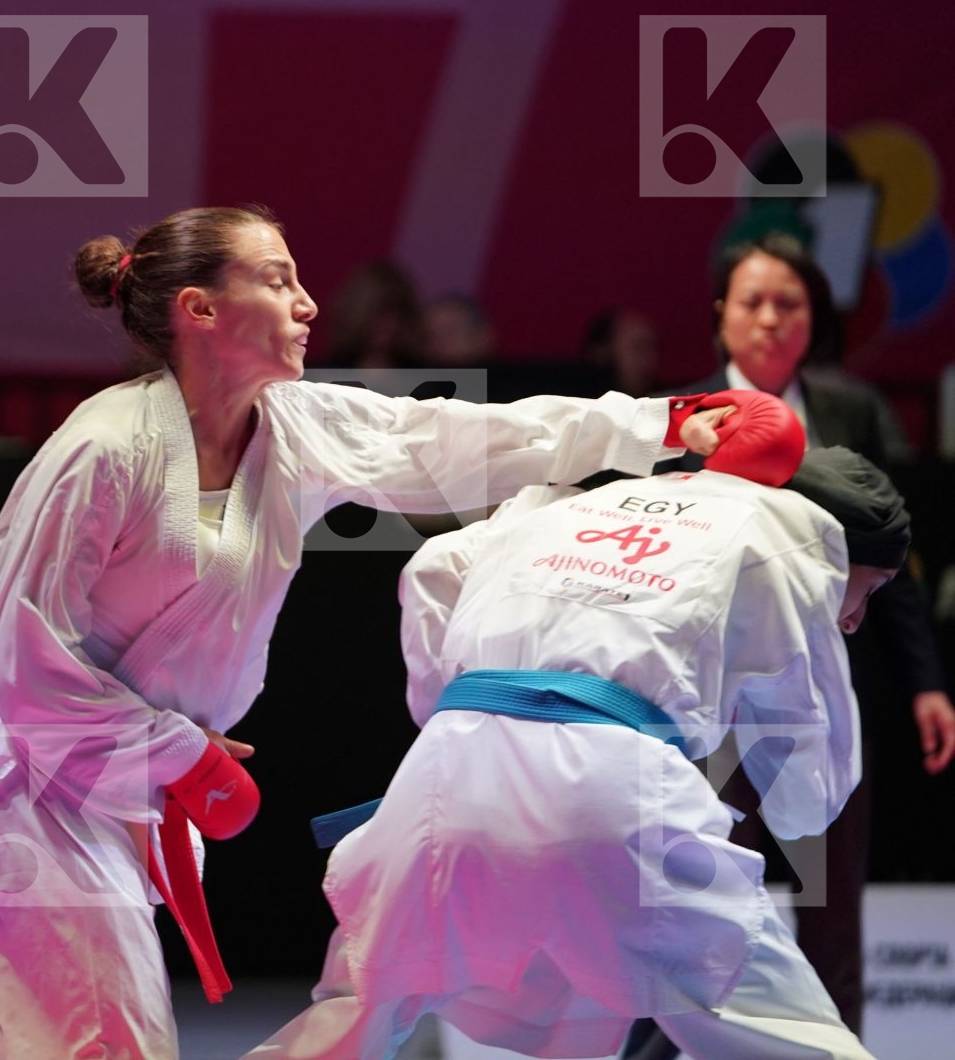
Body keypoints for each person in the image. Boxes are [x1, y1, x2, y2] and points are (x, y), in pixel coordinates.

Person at [0, 205, 733, 1060]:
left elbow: (451, 436)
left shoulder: (296, 424)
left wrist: (662, 424)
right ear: (200, 310)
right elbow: (24, 669)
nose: (308, 300)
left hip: (132, 801)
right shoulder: (99, 453)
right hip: (39, 802)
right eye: (278, 279)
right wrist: (180, 751)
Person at [246, 445, 908, 1060]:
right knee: (797, 1037)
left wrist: (443, 705)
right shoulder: (794, 532)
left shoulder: (577, 497)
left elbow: (433, 564)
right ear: (840, 551)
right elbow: (806, 801)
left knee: (354, 1012)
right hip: (609, 795)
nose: (854, 618)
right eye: (867, 591)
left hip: (447, 771)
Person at [624, 231, 954, 1057]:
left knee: (834, 919)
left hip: (827, 697)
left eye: (790, 304)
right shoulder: (683, 416)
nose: (771, 319)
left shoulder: (850, 412)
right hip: (711, 706)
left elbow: (894, 563)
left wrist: (925, 682)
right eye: (753, 302)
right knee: (687, 912)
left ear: (814, 319)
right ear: (721, 318)